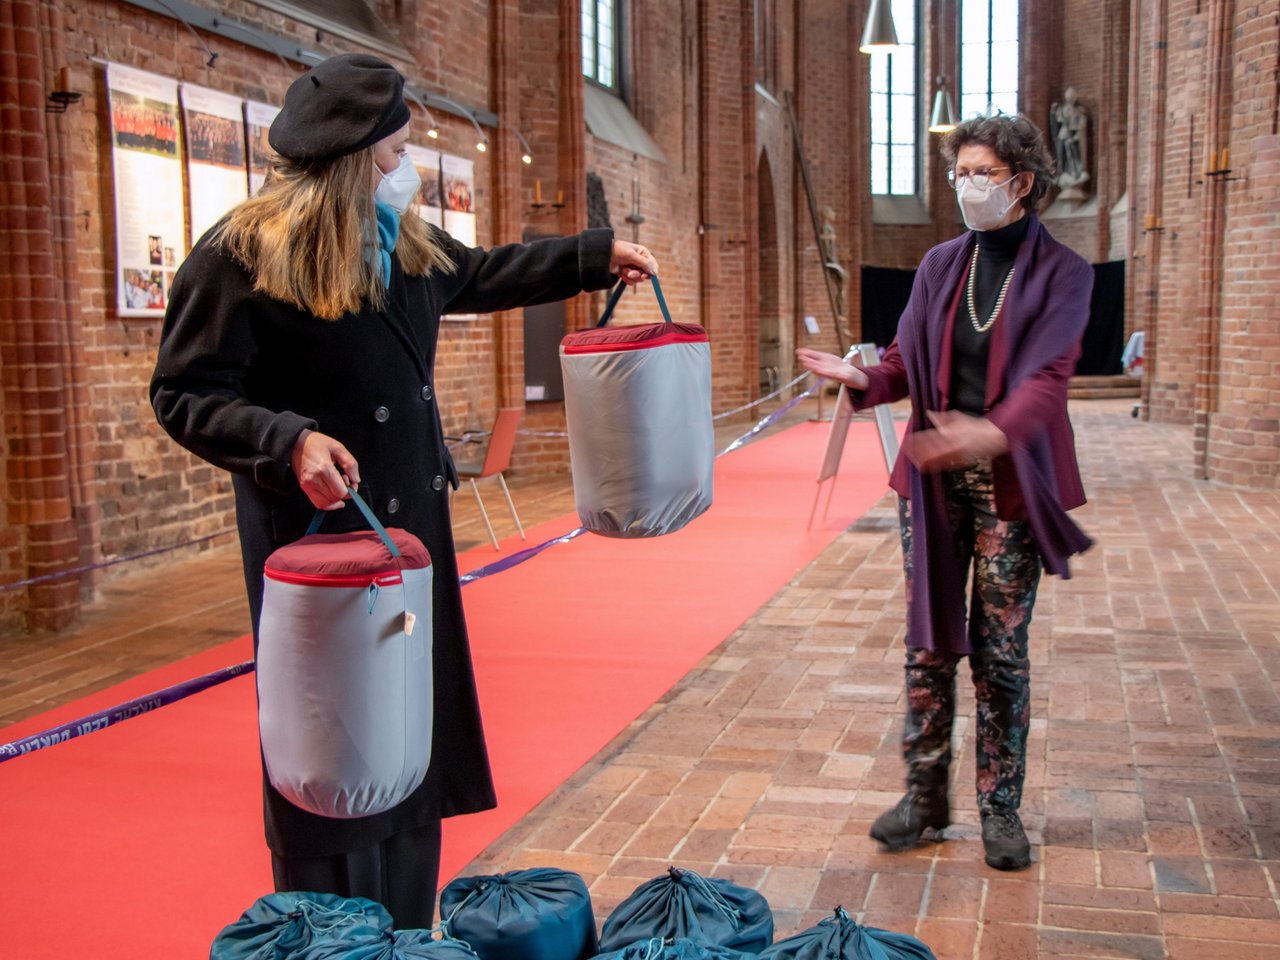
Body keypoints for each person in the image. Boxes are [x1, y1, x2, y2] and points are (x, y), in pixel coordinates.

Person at [150, 53, 658, 927]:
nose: (407, 167)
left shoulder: (405, 247)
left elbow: (487, 273)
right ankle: (330, 936)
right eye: (396, 153)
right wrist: (287, 439)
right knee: (338, 754)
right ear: (353, 164)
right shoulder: (241, 256)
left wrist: (589, 255)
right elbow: (185, 394)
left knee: (409, 743)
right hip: (321, 546)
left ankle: (406, 932)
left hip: (408, 540)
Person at [797, 114, 1093, 871]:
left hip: (1010, 482)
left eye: (982, 174)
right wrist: (862, 377)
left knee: (1000, 651)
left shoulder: (1063, 273)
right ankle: (925, 796)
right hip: (932, 482)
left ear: (1022, 182)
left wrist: (988, 433)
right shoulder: (938, 265)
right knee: (929, 641)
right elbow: (901, 360)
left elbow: (1048, 382)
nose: (967, 186)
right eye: (959, 172)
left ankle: (1001, 807)